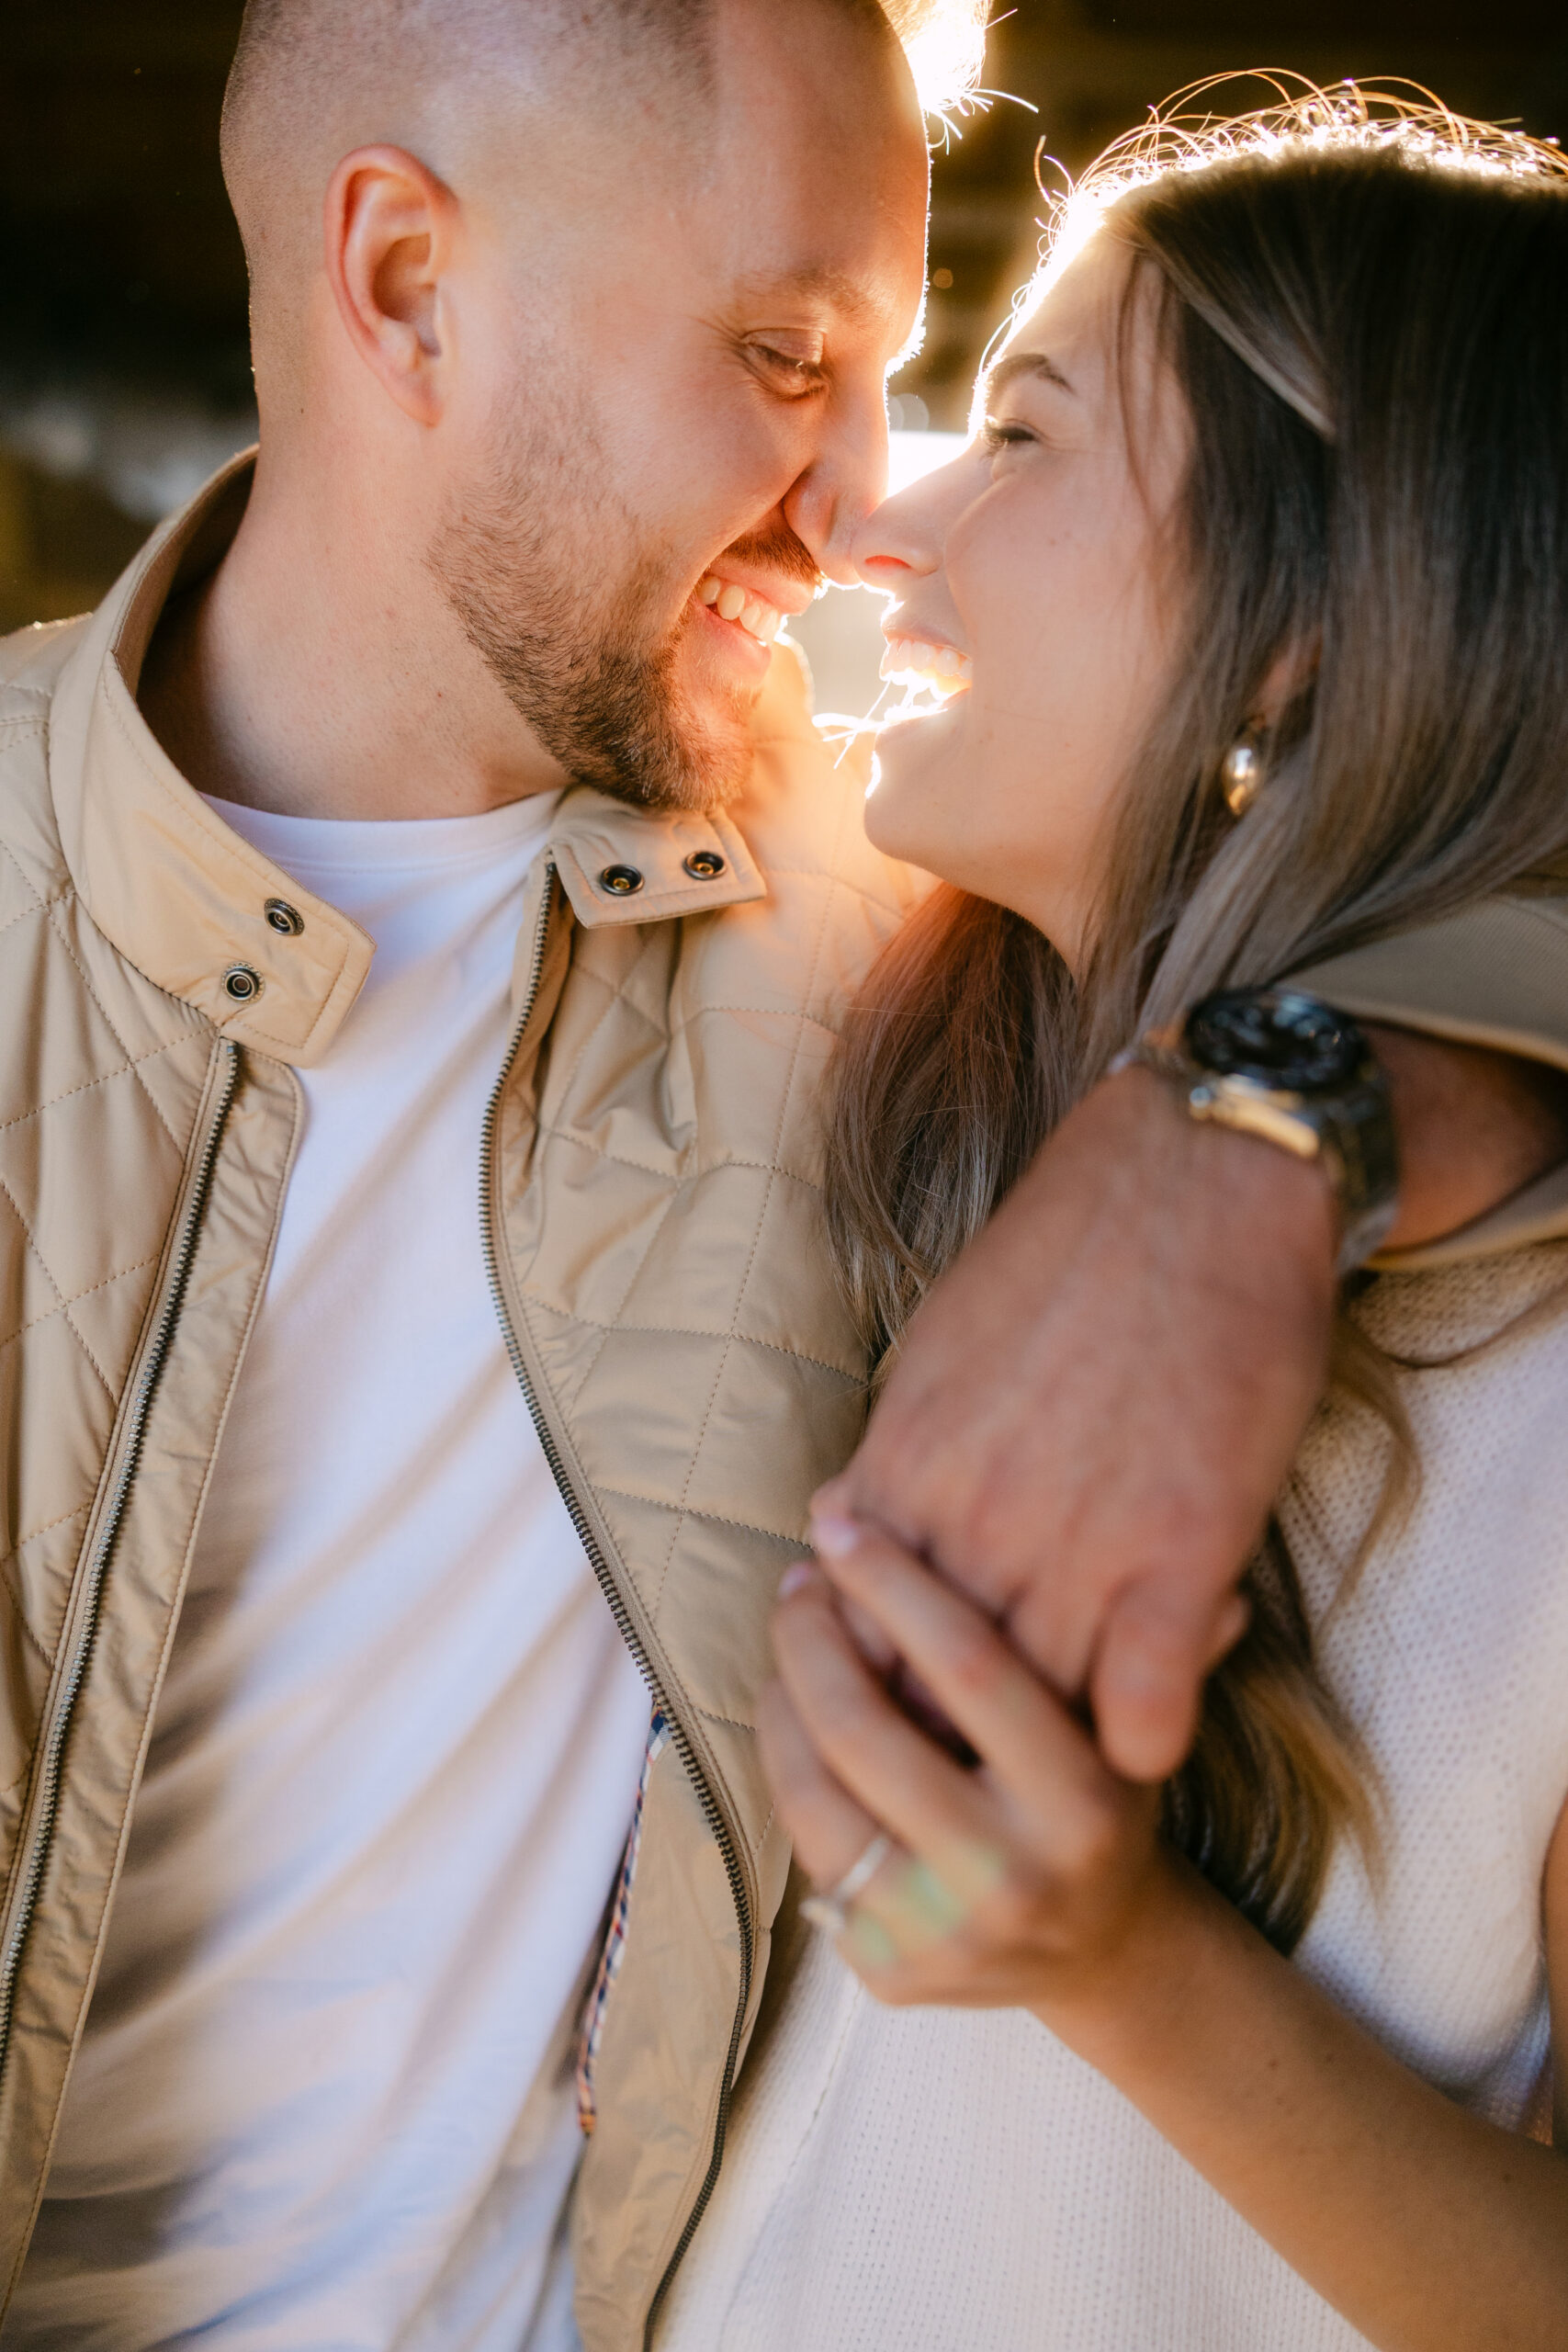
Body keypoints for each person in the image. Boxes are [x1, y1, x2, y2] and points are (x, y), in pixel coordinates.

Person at [0, 12, 1561, 2344]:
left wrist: (1275, 1089)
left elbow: (1431, 773)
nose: (860, 502)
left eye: (926, 388)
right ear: (411, 282)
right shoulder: (971, 1008)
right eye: (772, 352)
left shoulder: (877, 946)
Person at [665, 92, 1568, 2352]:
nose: (876, 514)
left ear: (1299, 631)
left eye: (1028, 431)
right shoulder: (891, 1102)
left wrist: (1115, 1959)